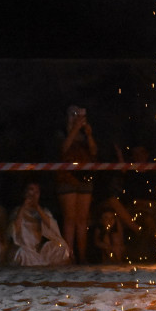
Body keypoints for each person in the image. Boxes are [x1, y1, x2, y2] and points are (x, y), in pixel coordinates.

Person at [55, 106, 98, 263]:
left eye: (80, 115)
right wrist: (74, 129)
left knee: (82, 219)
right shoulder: (62, 133)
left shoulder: (85, 135)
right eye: (74, 115)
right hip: (66, 178)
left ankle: (82, 255)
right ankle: (69, 256)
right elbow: (63, 149)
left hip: (84, 179)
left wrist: (89, 134)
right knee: (70, 219)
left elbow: (94, 152)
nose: (77, 118)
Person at [8, 182, 70, 266]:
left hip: (38, 251)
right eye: (31, 190)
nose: (33, 195)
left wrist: (37, 208)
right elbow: (15, 228)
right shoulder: (17, 211)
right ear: (25, 193)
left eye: (37, 192)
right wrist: (23, 207)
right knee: (21, 253)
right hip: (25, 249)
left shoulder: (43, 211)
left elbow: (52, 227)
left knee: (61, 247)